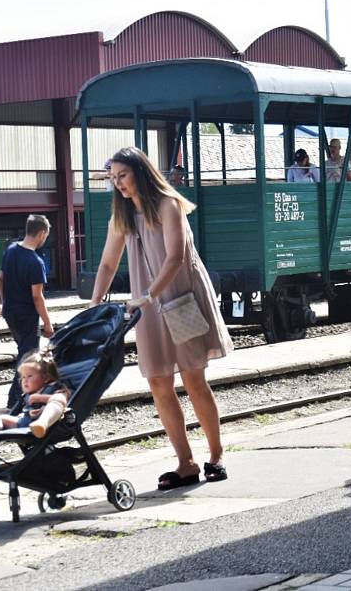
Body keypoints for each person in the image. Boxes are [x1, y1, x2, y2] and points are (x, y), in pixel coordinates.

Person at [89, 147, 233, 489]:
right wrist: (95, 302)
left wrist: (149, 296)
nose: (118, 184)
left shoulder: (168, 204)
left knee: (194, 378)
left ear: (140, 171)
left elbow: (175, 257)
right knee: (158, 382)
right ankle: (185, 462)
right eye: (113, 178)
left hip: (181, 299)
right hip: (148, 307)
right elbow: (108, 263)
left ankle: (216, 455)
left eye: (122, 175)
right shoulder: (122, 216)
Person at [0, 214, 54, 409]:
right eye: (46, 235)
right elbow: (37, 296)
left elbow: (1, 278)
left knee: (24, 351)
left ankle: (22, 396)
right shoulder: (35, 262)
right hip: (26, 314)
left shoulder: (10, 250)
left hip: (10, 311)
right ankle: (15, 399)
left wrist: (3, 301)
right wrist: (47, 323)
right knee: (28, 356)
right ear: (41, 233)